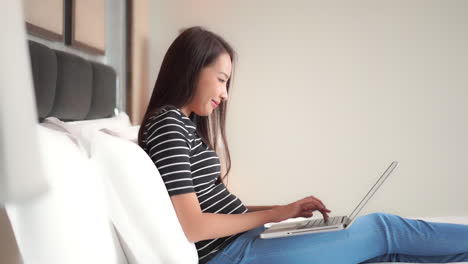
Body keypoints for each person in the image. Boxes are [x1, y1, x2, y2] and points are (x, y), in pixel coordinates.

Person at [138, 26, 468, 264]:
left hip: (243, 243)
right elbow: (195, 226)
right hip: (231, 254)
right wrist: (275, 214)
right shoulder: (167, 123)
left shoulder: (181, 125)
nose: (225, 94)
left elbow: (212, 209)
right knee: (385, 229)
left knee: (388, 253)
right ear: (192, 69)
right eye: (222, 79)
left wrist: (287, 210)